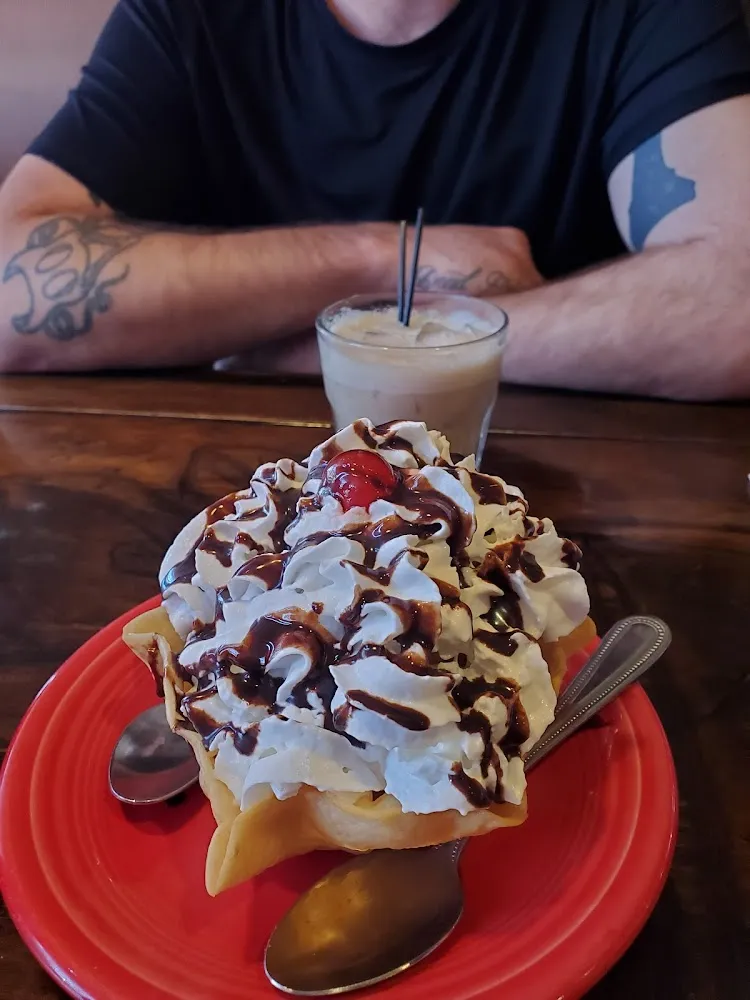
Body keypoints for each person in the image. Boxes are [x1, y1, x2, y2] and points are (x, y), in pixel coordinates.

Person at [1, 0, 749, 399]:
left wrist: (323, 352)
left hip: (559, 516)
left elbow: (735, 303)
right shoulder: (189, 12)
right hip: (247, 524)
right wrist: (388, 260)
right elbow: (11, 291)